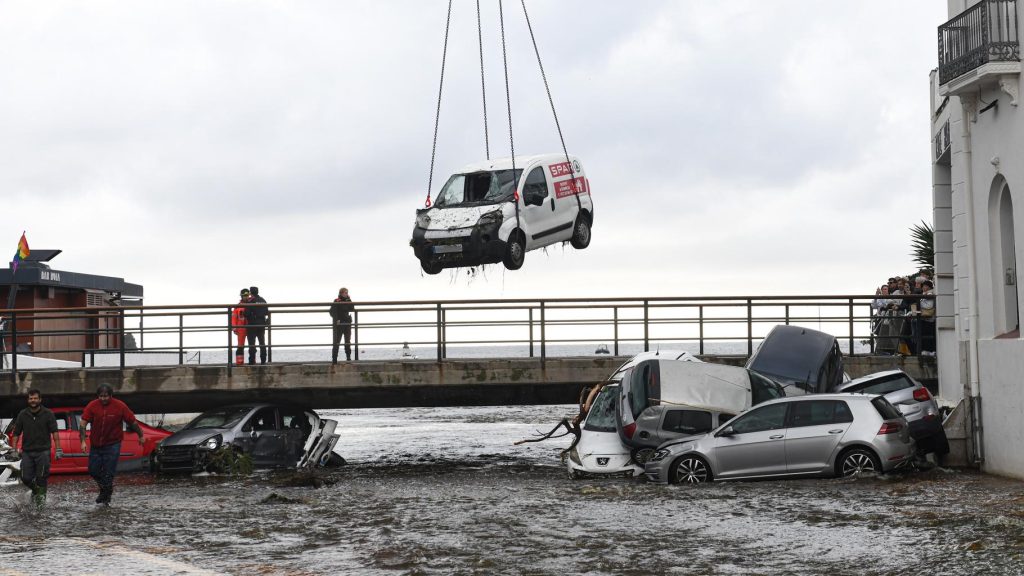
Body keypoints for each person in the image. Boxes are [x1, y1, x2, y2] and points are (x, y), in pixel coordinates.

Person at [79, 384, 145, 505]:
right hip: (96, 444)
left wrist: (140, 435)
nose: (103, 399)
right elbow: (83, 424)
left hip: (113, 444)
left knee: (109, 473)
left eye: (106, 396)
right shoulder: (92, 406)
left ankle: (106, 498)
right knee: (93, 470)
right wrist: (82, 441)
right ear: (97, 396)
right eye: (101, 396)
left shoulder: (120, 406)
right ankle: (105, 490)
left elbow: (132, 422)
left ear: (111, 395)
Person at [10, 388, 60, 505]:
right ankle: (37, 492)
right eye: (31, 398)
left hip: (43, 452)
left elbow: (55, 432)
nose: (33, 400)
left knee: (41, 478)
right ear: (28, 400)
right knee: (25, 478)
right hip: (27, 452)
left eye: (35, 398)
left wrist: (58, 449)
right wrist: (13, 450)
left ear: (40, 399)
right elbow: (16, 433)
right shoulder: (22, 414)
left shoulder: (48, 414)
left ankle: (40, 506)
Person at [245, 286, 270, 364]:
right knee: (262, 342)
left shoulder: (250, 301)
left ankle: (252, 361)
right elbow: (266, 312)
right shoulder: (263, 300)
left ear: (251, 293)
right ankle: (263, 360)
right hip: (262, 324)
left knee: (252, 344)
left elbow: (247, 313)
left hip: (252, 325)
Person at [330, 287, 354, 364]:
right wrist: (336, 319)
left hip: (347, 323)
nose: (346, 294)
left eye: (347, 292)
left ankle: (348, 357)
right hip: (339, 323)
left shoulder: (348, 300)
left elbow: (352, 308)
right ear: (341, 293)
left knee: (347, 341)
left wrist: (349, 300)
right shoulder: (336, 301)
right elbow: (332, 311)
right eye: (345, 293)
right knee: (337, 341)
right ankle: (334, 358)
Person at [232, 288, 249, 365]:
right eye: (245, 296)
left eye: (247, 295)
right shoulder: (237, 307)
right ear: (241, 296)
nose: (246, 297)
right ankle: (239, 361)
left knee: (252, 345)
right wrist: (234, 328)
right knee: (240, 346)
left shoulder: (252, 304)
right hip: (241, 329)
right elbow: (234, 318)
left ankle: (252, 360)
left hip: (250, 328)